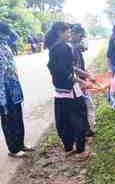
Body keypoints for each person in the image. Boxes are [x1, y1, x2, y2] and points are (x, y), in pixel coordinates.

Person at [45, 22, 95, 160]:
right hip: (70, 91)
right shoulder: (63, 48)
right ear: (60, 33)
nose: (69, 34)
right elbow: (66, 72)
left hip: (60, 92)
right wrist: (82, 81)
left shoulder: (54, 47)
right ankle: (80, 151)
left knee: (63, 121)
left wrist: (86, 75)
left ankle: (68, 148)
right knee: (79, 119)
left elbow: (70, 68)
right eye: (67, 32)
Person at [0, 22, 34, 158]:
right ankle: (13, 149)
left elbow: (16, 37)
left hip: (13, 86)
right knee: (8, 119)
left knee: (18, 116)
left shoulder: (5, 44)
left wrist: (8, 28)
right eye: (5, 32)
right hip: (3, 90)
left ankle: (20, 144)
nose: (8, 35)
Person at [71, 24, 96, 137]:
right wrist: (87, 76)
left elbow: (79, 66)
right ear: (76, 34)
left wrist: (87, 74)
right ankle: (86, 130)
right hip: (78, 83)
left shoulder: (76, 48)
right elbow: (73, 68)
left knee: (86, 106)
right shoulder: (72, 48)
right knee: (87, 106)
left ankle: (86, 129)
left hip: (81, 81)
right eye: (82, 37)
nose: (83, 40)